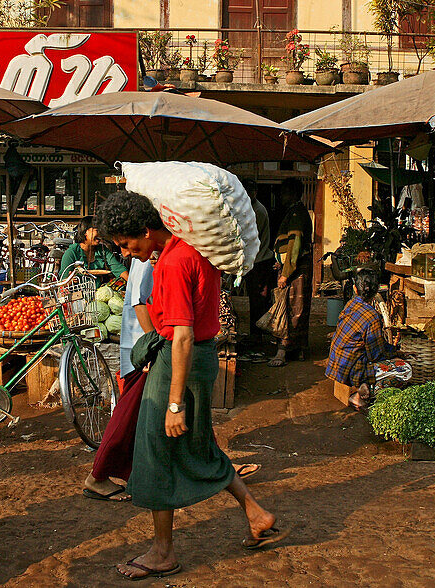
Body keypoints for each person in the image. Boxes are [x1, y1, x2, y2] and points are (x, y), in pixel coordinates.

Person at [96, 191, 286, 581]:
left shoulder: (175, 262)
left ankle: (163, 552)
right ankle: (257, 513)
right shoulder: (189, 249)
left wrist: (174, 404)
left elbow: (180, 336)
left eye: (127, 244)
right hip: (195, 359)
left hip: (179, 361)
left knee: (155, 455)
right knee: (199, 445)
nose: (128, 253)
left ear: (148, 230)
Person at [82, 255, 155, 503]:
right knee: (128, 413)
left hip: (148, 346)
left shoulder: (153, 252)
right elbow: (139, 302)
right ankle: (97, 475)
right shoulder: (147, 257)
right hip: (144, 348)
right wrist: (152, 344)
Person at [325, 269, 399, 410]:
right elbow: (376, 354)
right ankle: (361, 393)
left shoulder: (350, 304)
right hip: (350, 369)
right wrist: (395, 353)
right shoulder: (372, 316)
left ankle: (361, 385)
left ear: (355, 288)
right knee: (404, 370)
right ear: (377, 290)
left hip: (336, 363)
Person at [269, 178, 313, 367]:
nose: (281, 197)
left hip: (296, 270)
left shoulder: (296, 214)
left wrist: (286, 273)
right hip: (294, 267)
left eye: (284, 193)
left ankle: (284, 349)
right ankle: (299, 349)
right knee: (298, 307)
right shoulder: (295, 212)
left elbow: (294, 246)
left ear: (293, 194)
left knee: (291, 308)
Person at [242, 180, 275, 351]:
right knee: (255, 301)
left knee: (258, 302)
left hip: (259, 261)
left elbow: (249, 238)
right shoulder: (249, 208)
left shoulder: (257, 211)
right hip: (254, 261)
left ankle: (258, 341)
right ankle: (256, 337)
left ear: (254, 192)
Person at [60, 217, 129, 283]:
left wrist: (132, 283)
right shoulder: (71, 253)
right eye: (97, 230)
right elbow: (63, 281)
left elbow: (118, 268)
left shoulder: (102, 250)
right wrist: (71, 280)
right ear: (85, 232)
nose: (100, 234)